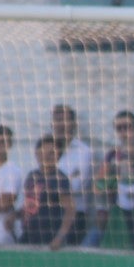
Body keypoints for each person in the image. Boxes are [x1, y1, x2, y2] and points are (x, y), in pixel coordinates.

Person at [95, 110, 134, 250]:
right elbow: (97, 186)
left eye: (127, 126)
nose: (123, 131)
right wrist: (116, 177)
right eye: (119, 128)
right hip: (118, 214)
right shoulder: (113, 156)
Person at [13, 135, 75, 249]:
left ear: (59, 155)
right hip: (28, 236)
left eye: (51, 153)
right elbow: (30, 205)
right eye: (43, 152)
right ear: (36, 153)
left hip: (49, 237)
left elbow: (70, 211)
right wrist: (14, 216)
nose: (46, 156)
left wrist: (59, 237)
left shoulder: (60, 179)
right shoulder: (32, 176)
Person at [50, 104, 93, 245]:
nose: (60, 125)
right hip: (46, 215)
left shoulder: (84, 151)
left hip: (74, 216)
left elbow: (76, 185)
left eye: (64, 121)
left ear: (73, 124)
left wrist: (47, 188)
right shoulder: (45, 149)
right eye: (57, 121)